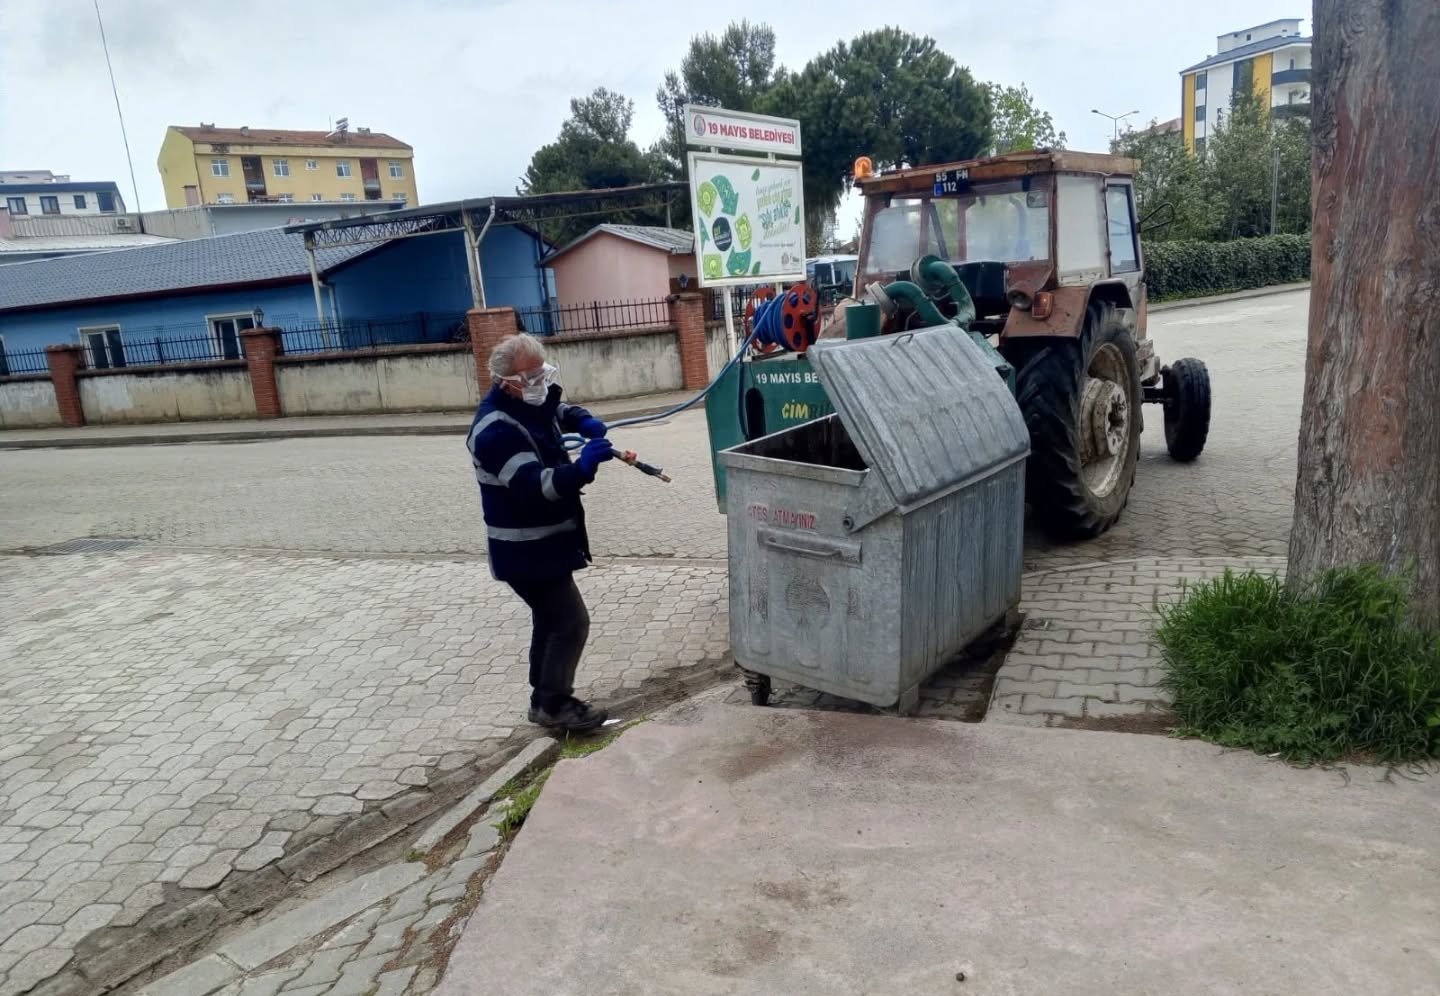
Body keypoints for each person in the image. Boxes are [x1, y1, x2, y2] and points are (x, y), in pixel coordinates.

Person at [466, 335, 616, 733]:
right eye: (533, 376)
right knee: (570, 622)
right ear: (508, 382)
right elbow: (536, 487)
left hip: (546, 543)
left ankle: (543, 700)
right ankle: (554, 704)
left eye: (542, 372)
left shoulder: (527, 399)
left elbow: (554, 408)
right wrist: (582, 468)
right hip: (524, 551)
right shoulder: (494, 431)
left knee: (550, 621)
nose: (541, 382)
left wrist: (581, 418)